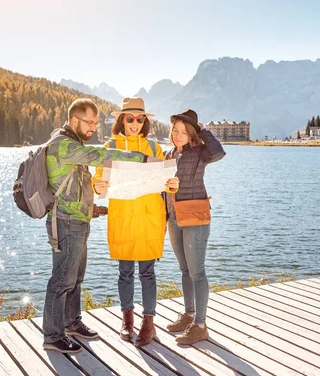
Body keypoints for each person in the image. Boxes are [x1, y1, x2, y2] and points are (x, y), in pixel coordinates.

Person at [42, 98, 153, 354]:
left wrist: (95, 208)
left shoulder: (73, 142)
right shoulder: (62, 144)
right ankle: (52, 335)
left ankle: (71, 322)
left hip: (79, 220)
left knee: (75, 278)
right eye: (89, 122)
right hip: (66, 223)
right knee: (61, 280)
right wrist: (138, 158)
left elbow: (75, 187)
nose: (93, 126)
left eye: (95, 122)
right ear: (74, 120)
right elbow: (100, 155)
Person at [92, 97, 179, 347]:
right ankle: (127, 319)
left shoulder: (154, 147)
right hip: (123, 216)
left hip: (150, 216)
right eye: (130, 118)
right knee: (125, 272)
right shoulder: (110, 145)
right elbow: (98, 177)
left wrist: (173, 185)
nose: (135, 123)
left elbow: (168, 180)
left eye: (140, 118)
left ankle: (149, 322)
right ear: (122, 120)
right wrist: (97, 185)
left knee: (148, 272)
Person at [164, 109, 225, 345]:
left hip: (195, 218)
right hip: (173, 217)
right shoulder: (169, 154)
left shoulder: (200, 152)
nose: (178, 135)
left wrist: (203, 131)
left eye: (183, 131)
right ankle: (188, 315)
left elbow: (219, 152)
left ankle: (200, 325)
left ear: (191, 134)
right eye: (175, 131)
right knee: (185, 270)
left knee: (197, 271)